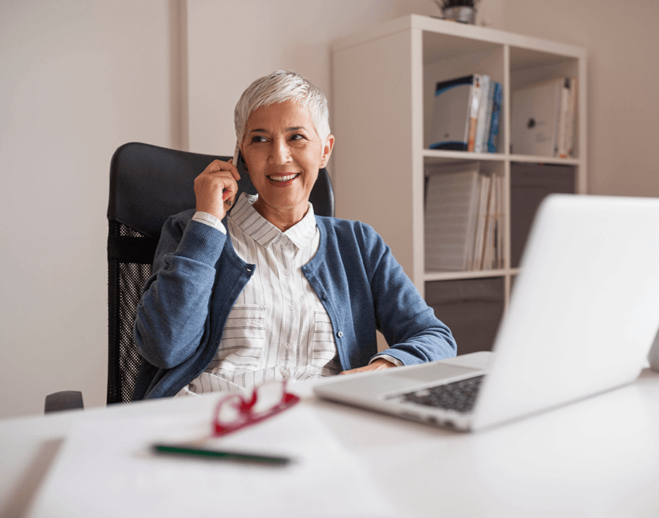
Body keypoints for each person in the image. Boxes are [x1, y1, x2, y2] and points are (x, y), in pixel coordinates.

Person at [132, 70, 456, 400]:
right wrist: (206, 224)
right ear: (241, 155)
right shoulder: (192, 230)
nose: (279, 156)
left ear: (325, 150)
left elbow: (435, 337)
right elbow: (164, 348)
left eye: (296, 137)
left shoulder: (358, 244)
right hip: (208, 420)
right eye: (259, 139)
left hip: (318, 424)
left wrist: (384, 367)